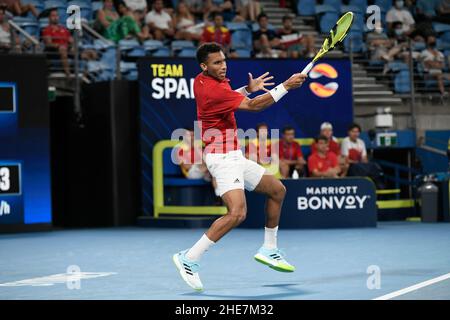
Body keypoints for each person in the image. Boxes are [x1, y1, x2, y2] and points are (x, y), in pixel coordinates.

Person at [172, 42, 307, 291]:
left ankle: (269, 248)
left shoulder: (201, 80)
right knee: (237, 213)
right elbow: (255, 106)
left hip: (234, 155)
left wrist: (246, 88)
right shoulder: (214, 91)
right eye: (216, 63)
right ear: (204, 66)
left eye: (223, 61)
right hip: (221, 158)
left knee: (277, 190)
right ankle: (189, 258)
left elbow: (231, 98)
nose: (223, 66)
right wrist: (286, 86)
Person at [341, 123, 385, 188]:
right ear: (349, 132)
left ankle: (378, 184)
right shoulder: (345, 141)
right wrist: (358, 163)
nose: (355, 134)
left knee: (374, 165)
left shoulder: (361, 142)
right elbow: (346, 159)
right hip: (351, 166)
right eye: (353, 131)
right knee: (358, 166)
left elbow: (364, 158)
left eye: (357, 132)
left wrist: (365, 163)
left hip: (360, 165)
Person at [42, 8, 73, 76]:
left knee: (88, 53)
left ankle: (85, 77)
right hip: (54, 52)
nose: (55, 17)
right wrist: (60, 46)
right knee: (62, 49)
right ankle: (69, 74)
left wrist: (73, 45)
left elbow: (71, 40)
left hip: (67, 50)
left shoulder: (64, 29)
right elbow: (48, 44)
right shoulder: (47, 30)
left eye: (56, 15)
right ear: (49, 18)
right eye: (53, 16)